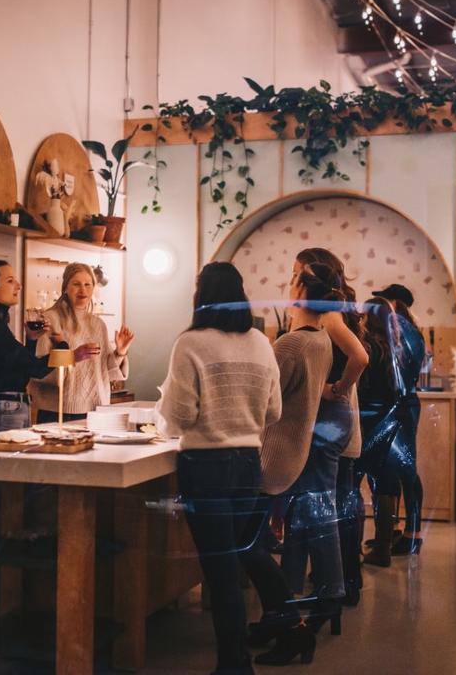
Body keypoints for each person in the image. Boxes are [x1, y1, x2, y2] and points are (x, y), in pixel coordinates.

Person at [157, 262, 282, 675]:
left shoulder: (190, 343)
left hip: (205, 465)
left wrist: (163, 407)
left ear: (201, 296)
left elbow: (179, 416)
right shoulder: (261, 343)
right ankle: (256, 645)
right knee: (240, 559)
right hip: (248, 463)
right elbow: (274, 410)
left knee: (220, 570)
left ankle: (234, 663)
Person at [0, 260, 93, 612]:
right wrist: (68, 353)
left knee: (2, 502)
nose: (17, 285)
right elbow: (32, 368)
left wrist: (33, 342)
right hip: (5, 412)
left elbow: (17, 363)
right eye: (9, 280)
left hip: (9, 408)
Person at [243, 260, 341, 666]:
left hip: (272, 455)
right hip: (293, 454)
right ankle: (274, 618)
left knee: (246, 546)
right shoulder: (321, 340)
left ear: (300, 292)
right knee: (257, 542)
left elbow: (262, 402)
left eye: (292, 279)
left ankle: (292, 629)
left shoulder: (290, 344)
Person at [284, 249, 368, 610]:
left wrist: (337, 389)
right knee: (309, 505)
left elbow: (360, 357)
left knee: (317, 505)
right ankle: (292, 589)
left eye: (294, 273)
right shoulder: (319, 315)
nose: (289, 280)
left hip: (327, 418)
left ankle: (330, 589)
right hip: (325, 417)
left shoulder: (327, 315)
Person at [365, 284, 426, 558]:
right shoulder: (409, 333)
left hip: (397, 406)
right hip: (406, 405)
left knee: (400, 471)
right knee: (398, 469)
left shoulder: (398, 335)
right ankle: (396, 533)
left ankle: (407, 535)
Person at [32, 263, 134, 422]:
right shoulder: (50, 319)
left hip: (97, 409)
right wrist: (73, 356)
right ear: (65, 287)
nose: (83, 290)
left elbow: (106, 372)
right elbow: (38, 371)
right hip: (59, 411)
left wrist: (120, 352)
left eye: (88, 284)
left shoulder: (98, 324)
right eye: (76, 284)